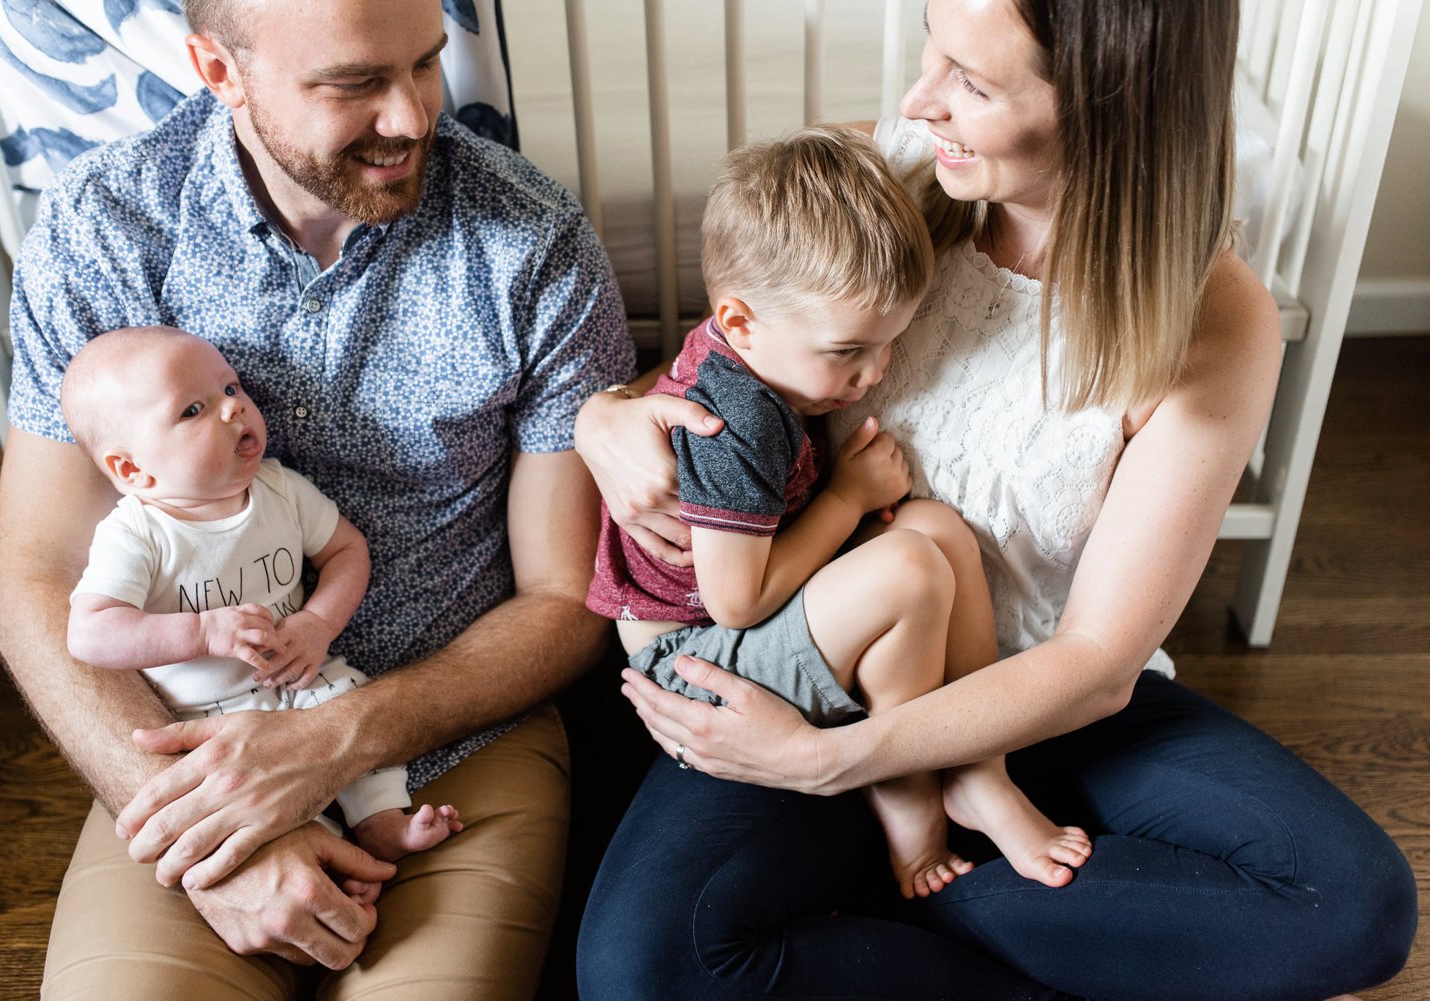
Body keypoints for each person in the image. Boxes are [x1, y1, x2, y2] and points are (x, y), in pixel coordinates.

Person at [573, 1, 1417, 999]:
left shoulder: (1215, 317)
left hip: (1039, 700)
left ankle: (903, 881)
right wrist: (603, 416)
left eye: (970, 82)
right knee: (638, 969)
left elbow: (1097, 663)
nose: (917, 100)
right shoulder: (883, 174)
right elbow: (733, 372)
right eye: (932, 47)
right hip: (820, 659)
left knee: (1355, 904)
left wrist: (834, 763)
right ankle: (997, 919)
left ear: (1110, 105)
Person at [0, 0, 632, 997]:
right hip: (192, 742)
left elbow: (563, 597)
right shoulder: (105, 226)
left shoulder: (531, 245)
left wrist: (338, 736)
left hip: (451, 736)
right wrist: (228, 838)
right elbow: (35, 578)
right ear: (219, 69)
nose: (417, 116)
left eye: (425, 64)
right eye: (355, 83)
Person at [588, 125, 1091, 899]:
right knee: (909, 565)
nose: (872, 374)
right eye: (848, 350)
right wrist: (849, 498)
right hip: (693, 667)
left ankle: (979, 770)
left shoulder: (765, 356)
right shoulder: (735, 419)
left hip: (736, 623)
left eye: (888, 346)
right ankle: (908, 801)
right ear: (742, 320)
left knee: (937, 529)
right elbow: (738, 599)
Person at [62, 326, 462, 865]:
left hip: (298, 679)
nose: (233, 410)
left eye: (231, 389)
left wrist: (319, 622)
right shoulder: (138, 534)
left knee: (347, 700)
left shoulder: (279, 489)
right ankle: (313, 849)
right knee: (235, 794)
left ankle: (380, 819)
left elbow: (346, 552)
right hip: (205, 712)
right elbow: (90, 632)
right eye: (192, 410)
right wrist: (202, 630)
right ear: (133, 470)